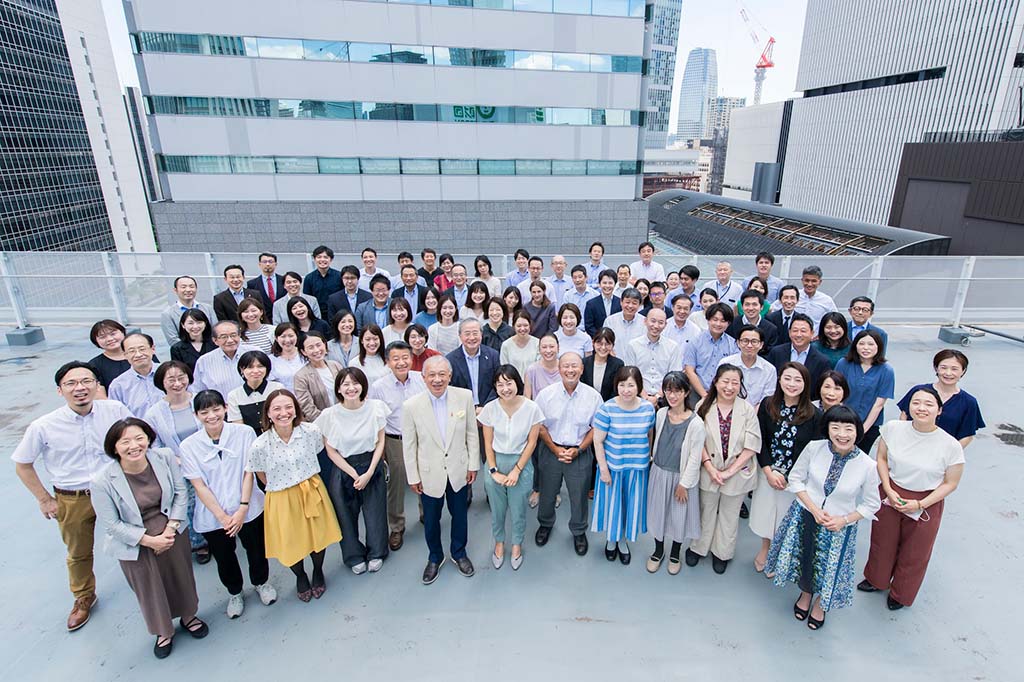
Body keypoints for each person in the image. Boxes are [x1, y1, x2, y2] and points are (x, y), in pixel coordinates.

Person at [12, 362, 131, 631]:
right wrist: (44, 498)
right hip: (73, 496)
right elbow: (23, 464)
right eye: (71, 384)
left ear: (97, 385)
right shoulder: (44, 426)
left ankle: (148, 583)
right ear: (60, 390)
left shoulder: (115, 411)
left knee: (136, 536)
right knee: (78, 551)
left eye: (86, 381)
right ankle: (83, 596)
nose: (80, 388)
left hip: (116, 488)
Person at [90, 418, 206, 658]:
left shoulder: (163, 457)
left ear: (148, 439)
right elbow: (111, 524)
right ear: (114, 447)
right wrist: (149, 541)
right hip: (135, 542)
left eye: (139, 438)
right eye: (125, 442)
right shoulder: (102, 481)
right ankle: (163, 631)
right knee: (149, 588)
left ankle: (188, 616)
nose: (134, 445)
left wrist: (171, 528)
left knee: (180, 576)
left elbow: (180, 492)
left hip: (170, 530)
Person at [765, 405, 881, 630]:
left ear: (857, 431)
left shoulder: (867, 465)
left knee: (830, 566)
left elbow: (871, 504)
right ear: (827, 429)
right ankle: (806, 593)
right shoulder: (814, 448)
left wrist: (844, 520)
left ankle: (821, 602)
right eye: (835, 427)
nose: (842, 434)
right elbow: (797, 479)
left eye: (848, 429)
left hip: (838, 525)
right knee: (805, 557)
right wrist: (814, 509)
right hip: (806, 515)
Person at [860, 387, 966, 610]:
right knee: (882, 541)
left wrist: (920, 504)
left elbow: (951, 483)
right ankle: (876, 579)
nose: (921, 408)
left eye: (929, 404)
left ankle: (901, 593)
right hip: (892, 492)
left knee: (915, 551)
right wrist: (888, 489)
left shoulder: (951, 446)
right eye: (916, 402)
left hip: (926, 501)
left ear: (939, 410)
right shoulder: (893, 428)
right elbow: (881, 458)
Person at [179, 391, 275, 619]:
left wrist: (242, 507)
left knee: (257, 549)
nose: (211, 416)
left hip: (248, 506)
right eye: (204, 412)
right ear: (196, 415)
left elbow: (249, 470)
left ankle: (261, 583)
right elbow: (199, 486)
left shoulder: (244, 433)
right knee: (225, 557)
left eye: (215, 409)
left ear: (225, 408)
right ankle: (235, 592)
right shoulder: (189, 446)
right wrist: (222, 517)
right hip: (213, 515)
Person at [246, 390, 342, 601]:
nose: (284, 413)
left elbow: (318, 451)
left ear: (296, 409)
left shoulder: (311, 431)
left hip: (312, 489)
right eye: (277, 408)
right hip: (281, 496)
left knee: (318, 535)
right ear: (268, 413)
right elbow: (261, 474)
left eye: (288, 407)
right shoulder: (260, 444)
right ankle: (300, 575)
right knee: (290, 541)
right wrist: (283, 486)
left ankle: (318, 571)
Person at [402, 356, 479, 584]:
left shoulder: (464, 397)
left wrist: (473, 464)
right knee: (432, 519)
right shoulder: (411, 406)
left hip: (458, 469)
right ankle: (435, 557)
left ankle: (459, 552)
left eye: (442, 374)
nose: (437, 380)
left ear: (449, 376)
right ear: (423, 377)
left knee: (460, 516)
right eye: (432, 375)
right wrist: (413, 476)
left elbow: (471, 434)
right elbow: (409, 444)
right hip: (428, 474)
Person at [686, 364, 761, 574]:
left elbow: (752, 445)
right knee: (705, 510)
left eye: (734, 382)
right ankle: (699, 547)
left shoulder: (746, 409)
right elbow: (696, 440)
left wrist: (729, 472)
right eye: (725, 381)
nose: (729, 387)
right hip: (708, 469)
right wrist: (710, 468)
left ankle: (722, 552)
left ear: (740, 385)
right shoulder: (703, 405)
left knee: (730, 514)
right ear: (716, 382)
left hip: (737, 472)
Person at [316, 368, 390, 574]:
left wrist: (369, 471)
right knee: (346, 515)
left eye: (355, 383)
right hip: (343, 469)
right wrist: (353, 473)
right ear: (338, 388)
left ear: (363, 385)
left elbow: (380, 440)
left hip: (371, 465)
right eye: (345, 384)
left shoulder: (376, 408)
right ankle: (353, 555)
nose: (351, 388)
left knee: (375, 513)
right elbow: (330, 449)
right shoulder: (329, 415)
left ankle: (377, 552)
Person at [751, 363, 822, 572]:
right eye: (787, 378)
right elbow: (760, 440)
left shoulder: (814, 414)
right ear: (779, 380)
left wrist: (792, 477)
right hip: (768, 471)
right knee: (766, 513)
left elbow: (813, 452)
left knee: (785, 517)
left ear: (805, 384)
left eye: (798, 380)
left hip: (794, 478)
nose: (792, 384)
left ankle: (779, 553)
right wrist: (768, 470)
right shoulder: (767, 405)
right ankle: (765, 547)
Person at [534, 352, 603, 556]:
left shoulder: (593, 396)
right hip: (550, 449)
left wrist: (579, 449)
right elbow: (539, 426)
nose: (570, 370)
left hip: (580, 452)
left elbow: (596, 428)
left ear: (582, 369)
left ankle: (579, 530)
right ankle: (545, 523)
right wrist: (555, 449)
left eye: (575, 366)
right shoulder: (546, 394)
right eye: (566, 366)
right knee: (547, 491)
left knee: (579, 494)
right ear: (559, 368)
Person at [478, 365, 545, 569]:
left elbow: (531, 443)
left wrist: (517, 470)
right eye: (500, 385)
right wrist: (493, 471)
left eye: (509, 383)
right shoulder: (490, 409)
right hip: (495, 462)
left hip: (521, 463)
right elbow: (487, 444)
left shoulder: (532, 408)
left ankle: (516, 544)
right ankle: (499, 543)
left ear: (517, 383)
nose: (505, 388)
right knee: (497, 510)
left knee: (518, 509)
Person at [591, 366, 657, 563]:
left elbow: (649, 434)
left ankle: (623, 541)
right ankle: (612, 541)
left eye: (631, 385)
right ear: (616, 386)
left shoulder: (647, 408)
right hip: (614, 469)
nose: (626, 390)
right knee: (614, 507)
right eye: (622, 385)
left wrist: (649, 456)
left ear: (639, 387)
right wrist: (603, 469)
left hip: (637, 469)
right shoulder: (607, 408)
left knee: (630, 507)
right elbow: (597, 440)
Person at [369, 341, 427, 550]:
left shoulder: (422, 379)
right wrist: (380, 447)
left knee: (426, 477)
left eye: (405, 358)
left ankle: (426, 515)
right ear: (387, 362)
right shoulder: (378, 387)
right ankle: (396, 526)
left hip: (422, 438)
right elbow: (376, 420)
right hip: (395, 440)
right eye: (396, 359)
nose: (401, 363)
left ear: (411, 359)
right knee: (396, 485)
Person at [645, 372, 705, 574]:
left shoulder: (696, 423)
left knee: (679, 517)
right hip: (659, 472)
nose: (672, 395)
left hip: (681, 478)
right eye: (668, 390)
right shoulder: (661, 414)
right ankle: (658, 550)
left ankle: (674, 553)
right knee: (657, 514)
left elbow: (695, 458)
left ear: (686, 392)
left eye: (677, 391)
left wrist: (684, 484)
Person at [896, 349, 985, 448]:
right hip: (910, 446)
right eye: (943, 368)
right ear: (936, 368)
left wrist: (950, 453)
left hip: (942, 455)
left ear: (963, 371)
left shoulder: (969, 402)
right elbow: (904, 416)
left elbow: (967, 435)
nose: (948, 373)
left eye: (954, 369)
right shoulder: (918, 391)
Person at [835, 329, 894, 451]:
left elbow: (879, 404)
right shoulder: (844, 364)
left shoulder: (886, 370)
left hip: (869, 425)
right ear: (855, 345)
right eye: (861, 344)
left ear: (879, 346)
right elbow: (836, 393)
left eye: (871, 344)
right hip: (841, 420)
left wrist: (862, 430)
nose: (866, 348)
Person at [622, 307, 681, 406]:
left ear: (665, 325)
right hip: (638, 397)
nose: (656, 326)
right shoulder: (633, 345)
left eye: (661, 322)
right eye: (653, 321)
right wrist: (645, 397)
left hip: (666, 398)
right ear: (645, 321)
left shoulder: (673, 347)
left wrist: (658, 397)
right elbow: (631, 375)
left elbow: (674, 375)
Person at [766, 313, 831, 399]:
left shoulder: (822, 361)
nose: (798, 335)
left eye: (803, 331)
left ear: (812, 334)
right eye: (795, 330)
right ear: (789, 333)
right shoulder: (776, 353)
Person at [683, 302, 738, 398]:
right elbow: (689, 371)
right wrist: (704, 395)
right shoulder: (695, 341)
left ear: (728, 323)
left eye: (723, 321)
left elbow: (735, 372)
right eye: (715, 319)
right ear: (708, 320)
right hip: (698, 391)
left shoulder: (733, 344)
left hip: (725, 393)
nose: (718, 324)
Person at [194, 322, 262, 400]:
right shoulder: (204, 361)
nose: (230, 340)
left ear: (239, 335)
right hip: (224, 408)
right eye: (224, 337)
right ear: (215, 340)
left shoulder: (255, 352)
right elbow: (197, 390)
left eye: (233, 335)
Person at [718, 325, 777, 410]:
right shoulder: (726, 363)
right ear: (738, 343)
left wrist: (751, 416)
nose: (749, 345)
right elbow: (720, 391)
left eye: (754, 341)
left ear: (761, 344)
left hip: (757, 416)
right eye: (745, 341)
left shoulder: (769, 370)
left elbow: (767, 399)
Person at [227, 350, 284, 435]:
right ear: (242, 370)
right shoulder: (234, 395)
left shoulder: (277, 388)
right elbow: (239, 428)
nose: (256, 371)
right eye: (250, 367)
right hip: (250, 440)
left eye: (260, 366)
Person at [108, 333, 163, 418]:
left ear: (153, 349)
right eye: (131, 351)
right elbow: (115, 415)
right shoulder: (118, 385)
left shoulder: (170, 373)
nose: (138, 354)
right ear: (125, 355)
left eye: (142, 349)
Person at [292, 332, 342, 422]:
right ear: (303, 352)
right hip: (322, 423)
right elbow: (307, 407)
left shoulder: (336, 366)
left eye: (318, 345)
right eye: (310, 347)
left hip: (344, 417)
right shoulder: (301, 376)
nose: (316, 350)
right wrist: (327, 422)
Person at [160, 275, 217, 347]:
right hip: (184, 354)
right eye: (183, 287)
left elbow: (215, 332)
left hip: (210, 350)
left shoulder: (207, 308)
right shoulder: (168, 314)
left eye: (191, 286)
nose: (188, 290)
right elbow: (173, 340)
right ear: (175, 290)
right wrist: (194, 350)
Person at [582, 328, 625, 402]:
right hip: (587, 405)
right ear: (593, 343)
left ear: (613, 345)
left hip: (609, 407)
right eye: (599, 343)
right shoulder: (584, 363)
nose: (603, 347)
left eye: (607, 344)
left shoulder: (618, 364)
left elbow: (616, 390)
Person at [87, 319, 130, 393]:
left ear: (122, 332)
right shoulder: (94, 365)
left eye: (113, 334)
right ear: (96, 341)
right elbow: (100, 395)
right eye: (102, 337)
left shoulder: (142, 354)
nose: (109, 339)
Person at [604, 288, 646, 356]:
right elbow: (605, 342)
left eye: (634, 303)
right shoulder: (610, 321)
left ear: (639, 304)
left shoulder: (645, 322)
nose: (630, 306)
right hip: (615, 362)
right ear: (621, 302)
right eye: (627, 302)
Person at [302, 245, 343, 316]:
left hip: (336, 313)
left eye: (325, 257)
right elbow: (307, 299)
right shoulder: (309, 278)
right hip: (317, 313)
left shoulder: (339, 276)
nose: (322, 260)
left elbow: (342, 295)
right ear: (314, 259)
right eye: (319, 257)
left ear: (331, 259)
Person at [794, 265, 838, 331]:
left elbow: (836, 320)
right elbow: (774, 309)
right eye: (807, 280)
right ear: (802, 280)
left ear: (820, 282)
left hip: (817, 339)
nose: (809, 284)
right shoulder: (792, 296)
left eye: (813, 281)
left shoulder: (827, 300)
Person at [500, 310, 540, 378]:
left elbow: (539, 368)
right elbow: (504, 369)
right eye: (519, 326)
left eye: (525, 325)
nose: (522, 329)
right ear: (513, 326)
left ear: (530, 325)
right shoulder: (506, 345)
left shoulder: (538, 343)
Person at [268, 322, 306, 391]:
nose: (287, 340)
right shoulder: (271, 360)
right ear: (276, 338)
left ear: (296, 336)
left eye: (291, 336)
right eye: (283, 336)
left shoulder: (305, 354)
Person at [583, 269, 621, 336]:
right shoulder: (591, 304)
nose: (607, 286)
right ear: (599, 284)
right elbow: (589, 326)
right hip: (597, 340)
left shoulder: (620, 302)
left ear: (615, 284)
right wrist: (600, 337)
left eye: (610, 283)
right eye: (604, 283)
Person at [248, 252, 286, 318]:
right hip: (264, 319)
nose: (267, 264)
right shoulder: (252, 284)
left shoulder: (284, 280)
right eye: (264, 262)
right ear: (259, 264)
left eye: (270, 261)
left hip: (283, 318)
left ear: (276, 264)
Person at [524, 333, 560, 400]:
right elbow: (527, 399)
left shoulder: (565, 369)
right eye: (544, 347)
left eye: (552, 346)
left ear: (558, 348)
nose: (548, 351)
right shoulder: (531, 370)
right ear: (539, 349)